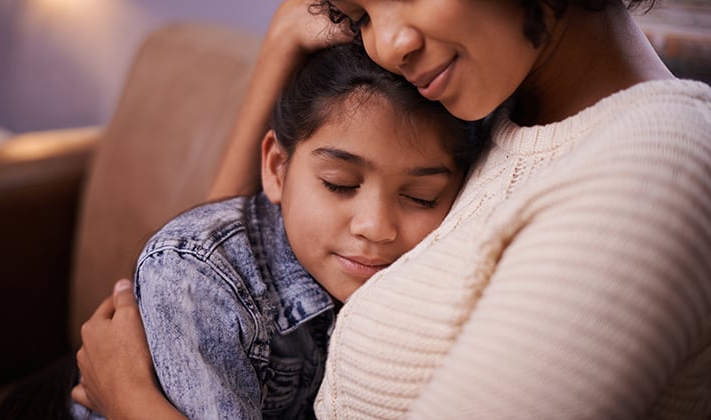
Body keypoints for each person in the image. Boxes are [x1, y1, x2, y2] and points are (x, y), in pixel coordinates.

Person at [74, 0, 711, 418]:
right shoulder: (494, 114)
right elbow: (249, 250)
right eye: (361, 13)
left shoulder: (652, 163)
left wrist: (133, 400)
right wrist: (279, 48)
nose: (389, 45)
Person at [70, 42, 475, 420]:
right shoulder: (195, 276)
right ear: (276, 168)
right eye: (339, 183)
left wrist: (128, 400)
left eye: (422, 197)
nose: (375, 227)